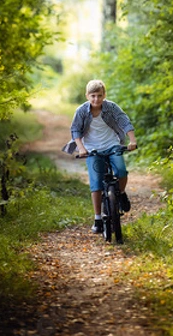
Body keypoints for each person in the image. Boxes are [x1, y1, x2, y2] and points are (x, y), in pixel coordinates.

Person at [62, 79, 137, 234]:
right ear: (87, 96)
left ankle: (121, 194)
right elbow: (75, 130)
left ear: (104, 95)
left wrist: (132, 140)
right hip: (91, 150)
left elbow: (124, 121)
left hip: (112, 145)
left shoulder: (111, 107)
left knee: (121, 171)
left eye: (99, 95)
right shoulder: (82, 111)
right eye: (93, 96)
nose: (96, 99)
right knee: (96, 184)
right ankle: (97, 219)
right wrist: (81, 148)